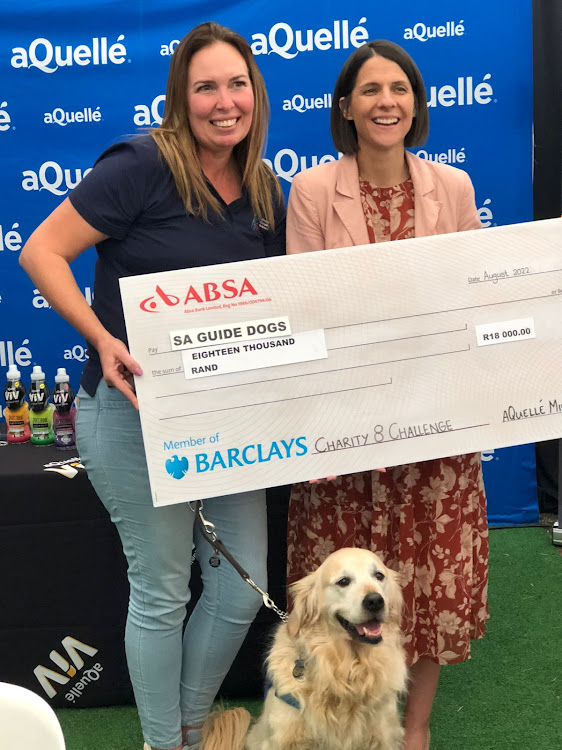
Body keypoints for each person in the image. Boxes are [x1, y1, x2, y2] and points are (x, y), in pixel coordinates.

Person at [19, 22, 285, 750]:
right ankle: (163, 743)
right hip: (129, 411)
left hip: (227, 420)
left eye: (237, 85)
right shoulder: (139, 164)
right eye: (206, 87)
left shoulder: (267, 189)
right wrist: (101, 339)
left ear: (256, 95)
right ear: (181, 97)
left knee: (239, 586)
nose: (224, 102)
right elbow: (41, 251)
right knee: (163, 591)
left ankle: (192, 726)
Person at [285, 40, 488, 750]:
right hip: (348, 431)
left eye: (398, 89)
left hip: (435, 426)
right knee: (341, 591)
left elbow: (474, 306)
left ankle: (413, 730)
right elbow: (305, 312)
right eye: (369, 90)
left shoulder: (454, 188)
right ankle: (331, 725)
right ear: (346, 107)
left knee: (427, 585)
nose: (386, 102)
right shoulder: (312, 192)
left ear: (417, 104)